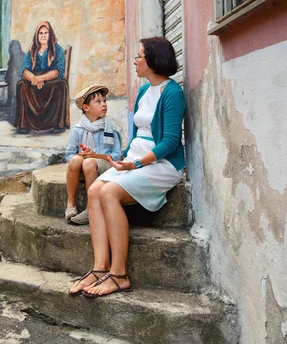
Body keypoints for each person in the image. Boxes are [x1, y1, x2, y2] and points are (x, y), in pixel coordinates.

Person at [68, 37, 185, 298]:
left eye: (139, 56)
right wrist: (118, 160)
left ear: (153, 60)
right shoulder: (144, 91)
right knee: (96, 188)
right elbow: (136, 136)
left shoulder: (173, 93)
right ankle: (100, 268)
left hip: (161, 164)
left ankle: (119, 274)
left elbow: (170, 142)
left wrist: (137, 163)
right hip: (134, 160)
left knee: (109, 193)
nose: (135, 61)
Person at [64, 84, 122, 225]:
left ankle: (91, 208)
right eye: (98, 102)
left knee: (89, 162)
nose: (103, 104)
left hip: (104, 165)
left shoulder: (110, 128)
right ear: (86, 108)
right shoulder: (78, 130)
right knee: (75, 161)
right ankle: (70, 204)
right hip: (84, 167)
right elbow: (69, 154)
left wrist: (95, 156)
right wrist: (81, 155)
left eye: (104, 101)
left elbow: (117, 155)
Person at [13, 21, 69, 133]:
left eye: (46, 33)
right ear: (37, 36)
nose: (43, 35)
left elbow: (59, 71)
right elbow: (24, 70)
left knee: (62, 84)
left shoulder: (56, 49)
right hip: (35, 81)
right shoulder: (32, 50)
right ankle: (25, 124)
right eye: (40, 33)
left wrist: (41, 78)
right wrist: (35, 78)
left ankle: (57, 124)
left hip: (50, 80)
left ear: (50, 35)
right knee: (21, 85)